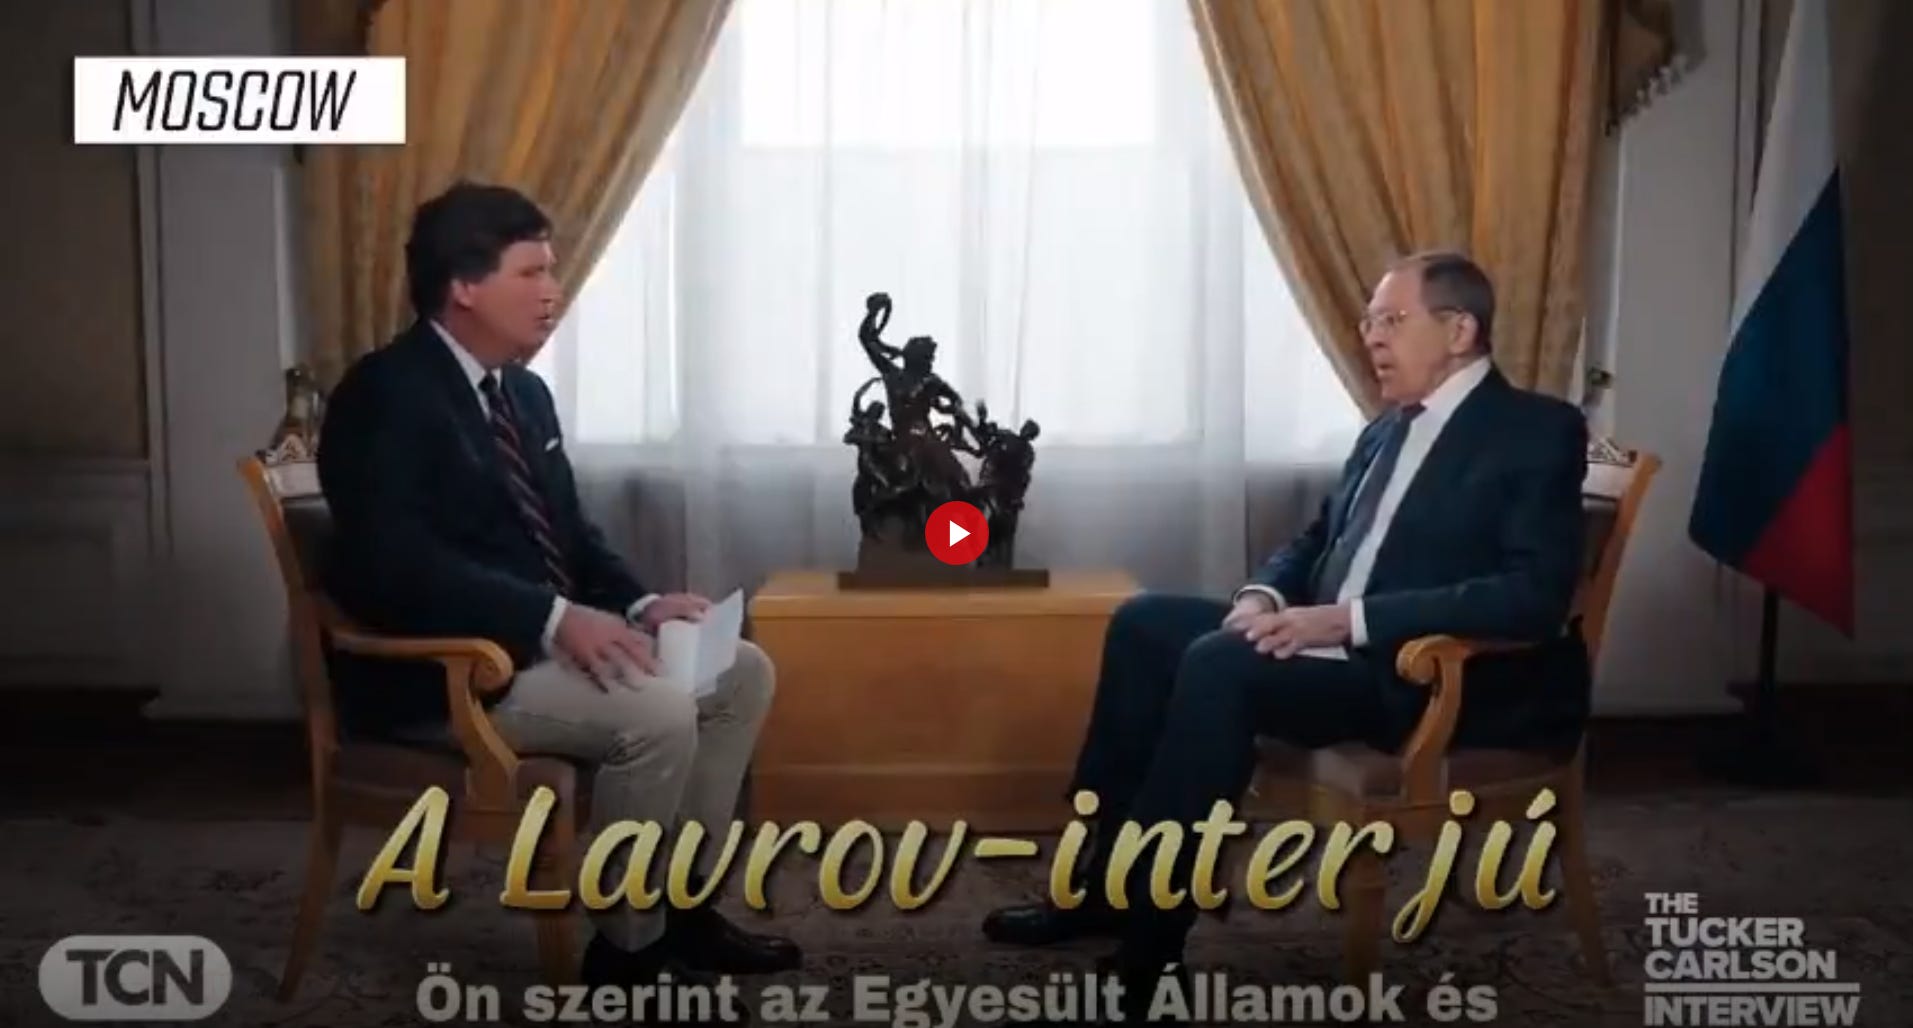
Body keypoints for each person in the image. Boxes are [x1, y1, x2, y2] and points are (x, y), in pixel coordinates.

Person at [980, 251, 1591, 1003]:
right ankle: (1099, 889)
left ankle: (1150, 949)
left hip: (1419, 677)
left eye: (1391, 320)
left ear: (1459, 330)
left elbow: (1531, 596)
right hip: (1328, 645)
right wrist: (1262, 599)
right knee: (1144, 624)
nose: (1371, 336)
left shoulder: (1536, 431)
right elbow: (1314, 541)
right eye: (1368, 321)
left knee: (1219, 666)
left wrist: (1346, 621)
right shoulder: (1387, 430)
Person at [317, 181, 801, 993]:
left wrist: (641, 604)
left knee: (739, 672)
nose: (553, 291)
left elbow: (570, 533)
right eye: (531, 272)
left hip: (530, 649)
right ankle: (627, 953)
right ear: (463, 287)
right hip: (444, 676)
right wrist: (551, 617)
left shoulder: (522, 392)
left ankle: (681, 910)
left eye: (552, 270)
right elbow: (393, 567)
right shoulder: (384, 394)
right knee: (656, 713)